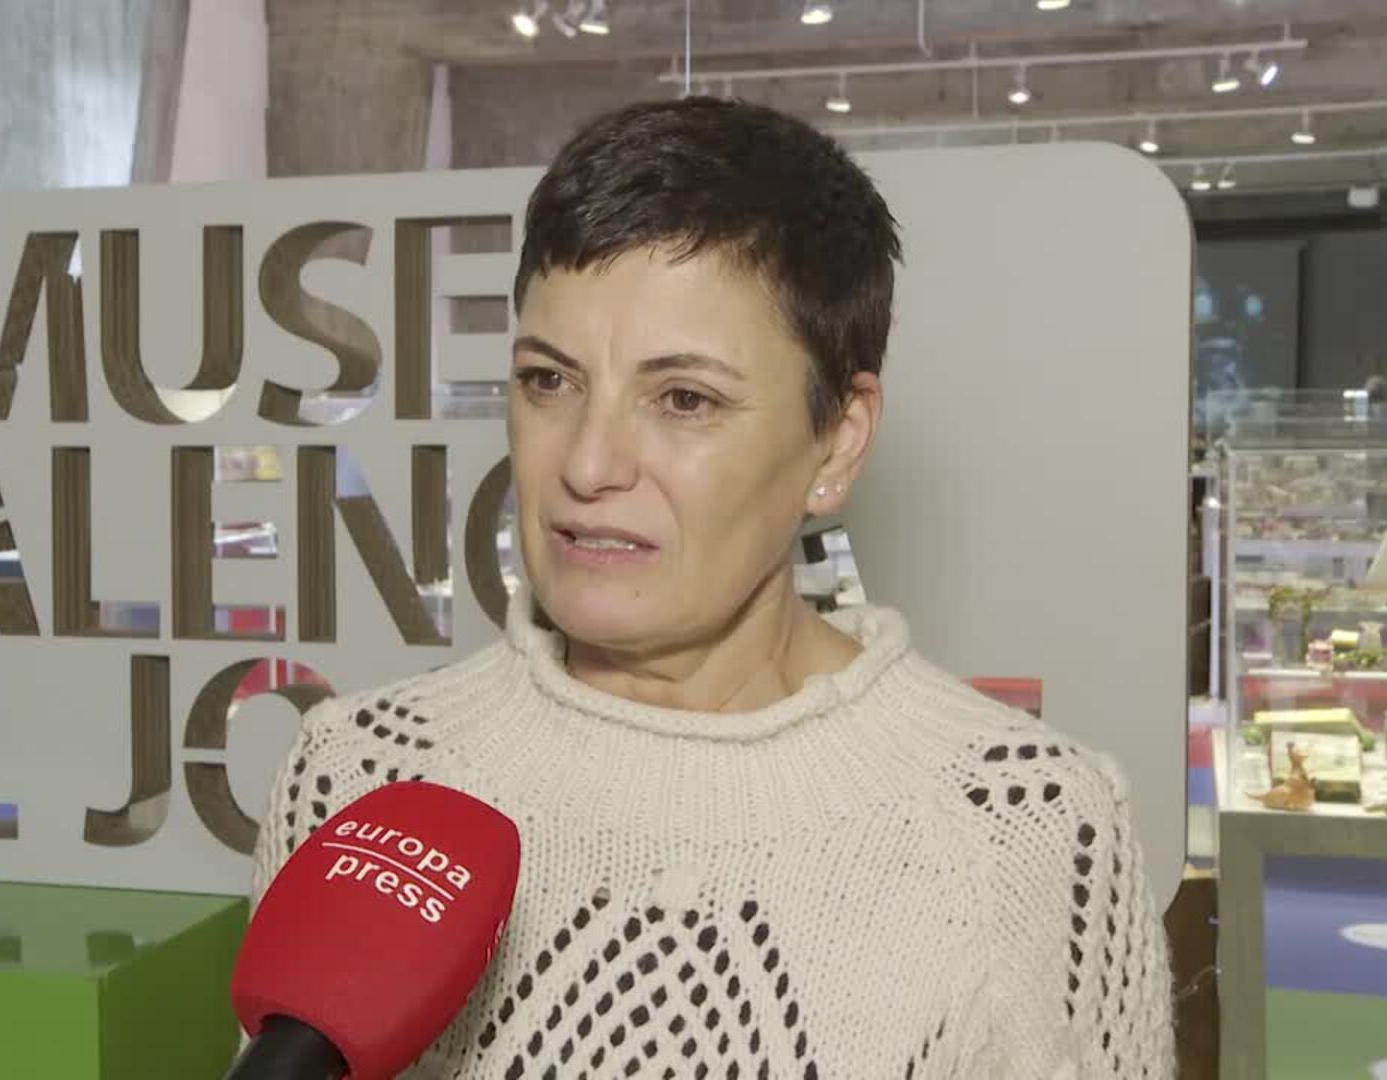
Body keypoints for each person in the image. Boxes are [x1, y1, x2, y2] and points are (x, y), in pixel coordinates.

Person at [251, 98, 1176, 1078]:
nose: (588, 464)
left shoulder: (1026, 832)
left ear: (838, 439)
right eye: (550, 381)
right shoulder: (358, 777)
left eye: (684, 399)